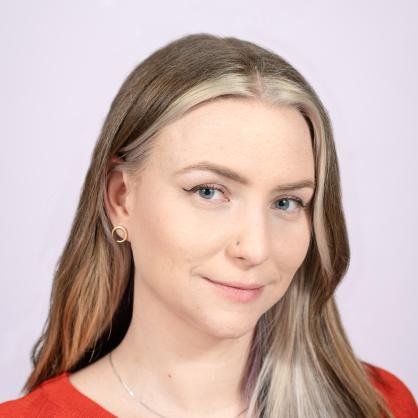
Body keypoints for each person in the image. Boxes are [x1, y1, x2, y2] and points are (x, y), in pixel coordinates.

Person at [0, 33, 417, 418]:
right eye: (208, 192)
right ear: (120, 198)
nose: (255, 248)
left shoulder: (382, 406)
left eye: (286, 202)